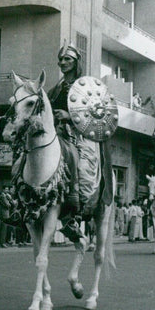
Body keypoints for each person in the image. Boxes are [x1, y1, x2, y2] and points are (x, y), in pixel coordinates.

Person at [46, 43, 113, 243]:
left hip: (80, 135)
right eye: (61, 59)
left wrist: (70, 115)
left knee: (84, 166)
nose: (63, 63)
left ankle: (78, 208)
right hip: (58, 134)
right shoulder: (55, 90)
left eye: (68, 59)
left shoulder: (86, 87)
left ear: (76, 62)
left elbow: (97, 113)